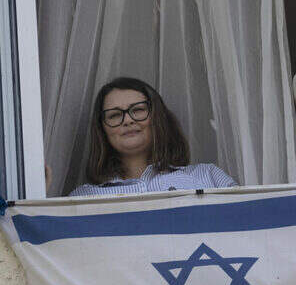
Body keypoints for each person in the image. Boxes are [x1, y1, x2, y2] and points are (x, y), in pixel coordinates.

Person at [68, 77, 237, 197]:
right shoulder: (83, 198)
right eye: (114, 115)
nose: (127, 120)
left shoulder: (208, 177)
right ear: (102, 130)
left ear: (158, 118)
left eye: (138, 110)